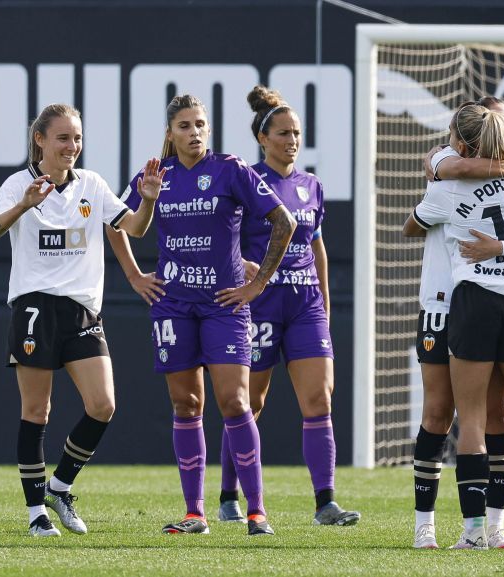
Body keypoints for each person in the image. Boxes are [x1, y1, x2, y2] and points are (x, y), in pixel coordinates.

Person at [121, 94, 296, 537]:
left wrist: (256, 285)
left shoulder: (230, 169)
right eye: (184, 125)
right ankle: (194, 512)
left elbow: (284, 222)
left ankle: (256, 511)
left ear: (209, 130)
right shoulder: (156, 176)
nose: (193, 132)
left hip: (224, 305)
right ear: (170, 133)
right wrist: (136, 276)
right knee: (186, 403)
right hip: (173, 305)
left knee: (236, 403)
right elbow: (120, 224)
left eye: (200, 124)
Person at [0, 103, 157, 537]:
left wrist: (148, 200)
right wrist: (23, 206)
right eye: (62, 138)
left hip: (81, 310)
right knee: (37, 410)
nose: (72, 146)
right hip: (35, 307)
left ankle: (59, 488)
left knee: (103, 405)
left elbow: (133, 228)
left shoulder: (92, 185)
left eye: (77, 138)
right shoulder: (18, 184)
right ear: (39, 140)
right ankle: (35, 512)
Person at [404, 102, 504, 551]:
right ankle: (428, 527)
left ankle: (485, 529)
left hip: (476, 300)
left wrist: (496, 242)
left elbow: (411, 224)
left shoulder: (493, 173)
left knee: (489, 416)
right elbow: (446, 165)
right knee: (441, 412)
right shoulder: (456, 164)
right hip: (450, 303)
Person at [214, 85, 360, 527]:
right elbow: (224, 240)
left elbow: (317, 250)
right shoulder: (247, 182)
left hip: (306, 305)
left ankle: (325, 503)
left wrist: (326, 308)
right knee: (248, 404)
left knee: (319, 398)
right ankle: (227, 497)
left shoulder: (312, 185)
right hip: (260, 304)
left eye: (296, 132)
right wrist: (246, 277)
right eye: (283, 133)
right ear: (263, 138)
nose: (292, 140)